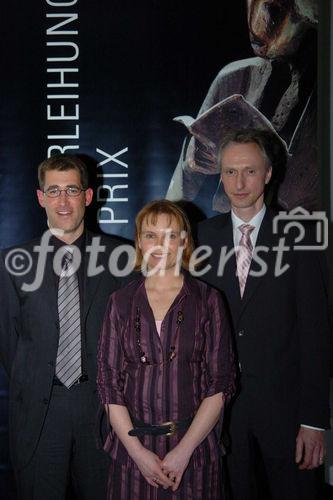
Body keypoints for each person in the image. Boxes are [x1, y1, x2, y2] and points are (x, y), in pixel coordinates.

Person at [197, 128, 330, 500]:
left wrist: (314, 420)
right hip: (220, 413)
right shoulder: (200, 237)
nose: (239, 183)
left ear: (269, 173)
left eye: (250, 171)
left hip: (287, 414)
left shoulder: (300, 235)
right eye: (230, 172)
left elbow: (316, 333)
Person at [0, 154, 124, 499]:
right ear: (41, 198)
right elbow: (12, 346)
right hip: (41, 412)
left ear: (87, 196)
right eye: (53, 191)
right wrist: (39, 377)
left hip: (102, 410)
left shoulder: (124, 261)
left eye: (72, 190)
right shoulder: (13, 264)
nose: (63, 201)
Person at [97, 199, 236, 499]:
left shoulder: (209, 300)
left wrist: (183, 452)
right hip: (132, 455)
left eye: (171, 234)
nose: (161, 243)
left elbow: (221, 382)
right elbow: (108, 383)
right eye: (151, 234)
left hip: (195, 454)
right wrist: (138, 454)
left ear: (184, 240)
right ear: (139, 241)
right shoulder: (119, 302)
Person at [167, 0, 319, 212]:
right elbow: (177, 196)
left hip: (307, 234)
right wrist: (195, 158)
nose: (255, 20)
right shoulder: (234, 78)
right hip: (233, 230)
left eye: (276, 8)